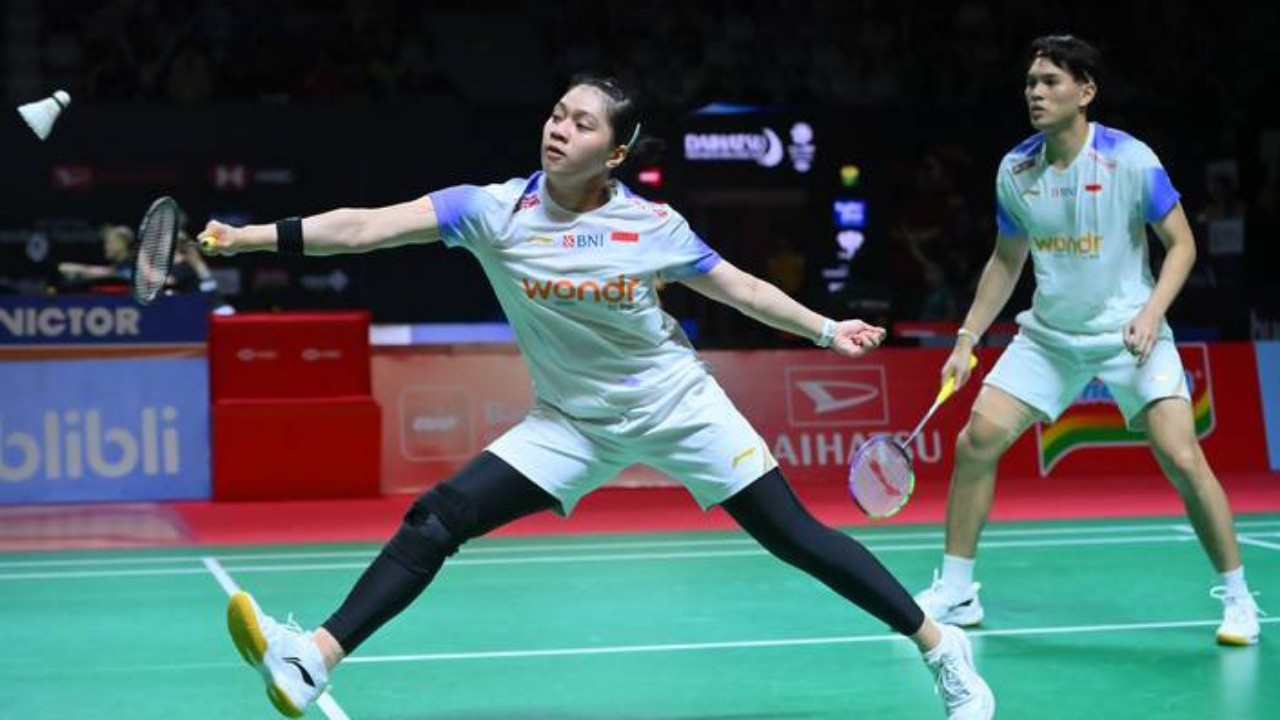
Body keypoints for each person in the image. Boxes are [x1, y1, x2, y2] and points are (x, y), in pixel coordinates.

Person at [201, 75, 995, 720]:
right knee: (438, 518)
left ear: (614, 153)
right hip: (569, 423)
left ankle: (940, 647)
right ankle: (313, 659)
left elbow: (742, 288)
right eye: (556, 114)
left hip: (678, 407)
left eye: (581, 124)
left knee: (796, 538)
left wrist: (826, 330)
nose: (558, 129)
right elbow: (364, 227)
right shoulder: (492, 210)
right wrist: (249, 238)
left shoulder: (652, 225)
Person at [912, 36, 1262, 646]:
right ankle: (959, 591)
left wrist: (1152, 312)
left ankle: (1238, 598)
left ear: (1085, 92)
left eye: (1050, 81)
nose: (1036, 93)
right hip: (1050, 337)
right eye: (1031, 83)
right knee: (976, 443)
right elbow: (1006, 261)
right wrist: (967, 338)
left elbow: (1182, 245)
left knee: (1181, 456)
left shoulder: (1130, 160)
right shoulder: (1015, 170)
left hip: (1130, 333)